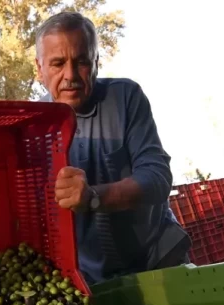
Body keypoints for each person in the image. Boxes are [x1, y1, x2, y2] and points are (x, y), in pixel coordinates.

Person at [35, 11, 191, 285]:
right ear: (40, 69)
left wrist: (93, 197)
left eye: (81, 62)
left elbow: (157, 178)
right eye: (58, 64)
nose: (70, 75)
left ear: (96, 63)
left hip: (159, 257)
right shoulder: (32, 126)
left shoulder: (125, 97)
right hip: (92, 280)